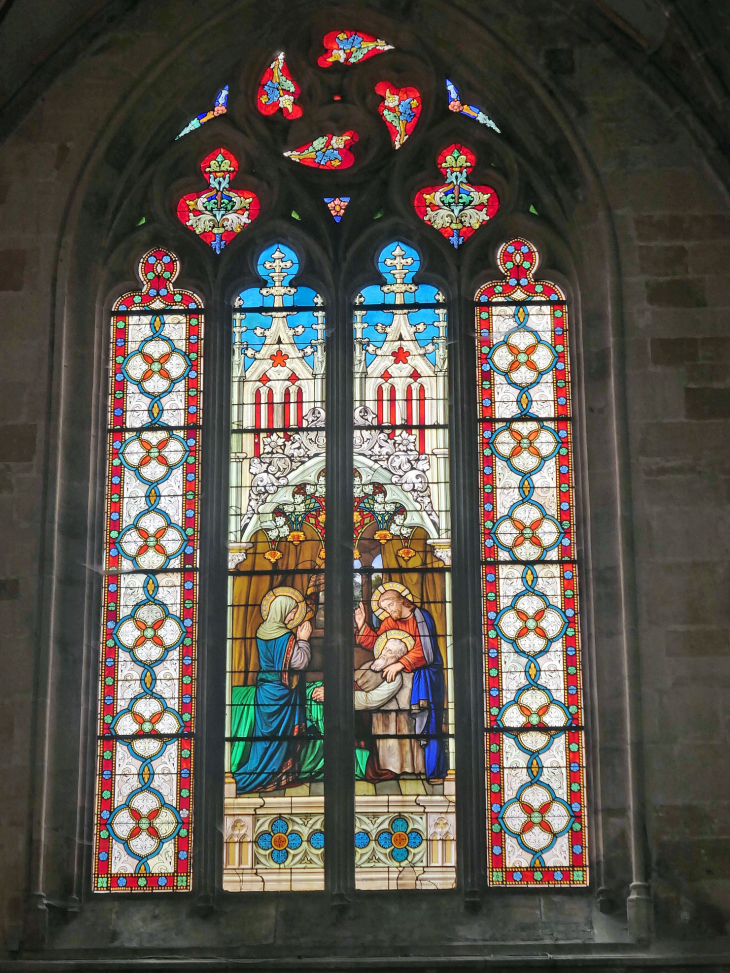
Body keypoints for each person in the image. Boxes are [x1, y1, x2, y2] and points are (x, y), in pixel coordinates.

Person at [354, 585, 448, 780]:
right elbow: (379, 644)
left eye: (389, 606)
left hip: (425, 677)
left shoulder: (421, 618)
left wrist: (400, 664)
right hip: (401, 678)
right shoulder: (390, 622)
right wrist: (362, 625)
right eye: (385, 608)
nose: (388, 611)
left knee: (428, 723)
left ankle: (433, 769)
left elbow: (426, 650)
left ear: (400, 600)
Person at [233, 588, 312, 793]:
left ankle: (268, 775)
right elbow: (299, 663)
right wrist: (303, 639)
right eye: (291, 611)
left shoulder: (262, 631)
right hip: (282, 693)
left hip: (264, 690)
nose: (293, 615)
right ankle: (273, 776)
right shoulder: (286, 636)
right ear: (282, 611)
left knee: (266, 737)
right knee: (280, 737)